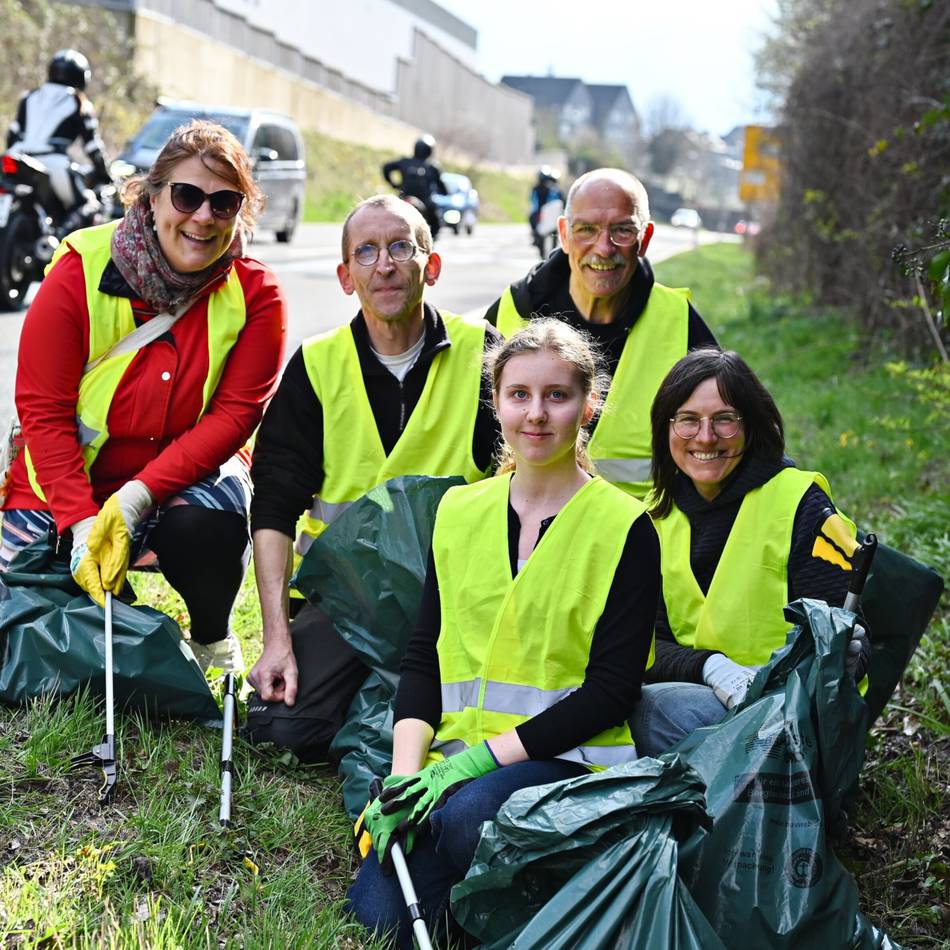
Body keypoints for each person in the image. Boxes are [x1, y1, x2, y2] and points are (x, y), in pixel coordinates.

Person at [346, 318, 660, 948]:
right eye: (519, 395)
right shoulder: (458, 512)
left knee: (469, 825)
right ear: (496, 404)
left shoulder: (625, 526)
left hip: (570, 767)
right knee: (380, 914)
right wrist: (407, 779)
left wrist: (472, 768)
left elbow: (611, 692)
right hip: (455, 769)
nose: (536, 415)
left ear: (588, 405)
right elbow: (423, 659)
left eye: (557, 395)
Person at [2, 119, 287, 673]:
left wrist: (137, 499)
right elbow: (43, 408)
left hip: (175, 486)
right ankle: (112, 605)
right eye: (187, 195)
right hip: (62, 485)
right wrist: (82, 519)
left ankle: (211, 637)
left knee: (213, 523)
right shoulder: (77, 269)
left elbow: (234, 416)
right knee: (27, 625)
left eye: (224, 203)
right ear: (152, 197)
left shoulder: (257, 294)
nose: (203, 216)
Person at [245, 193, 500, 762]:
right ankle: (369, 687)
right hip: (349, 603)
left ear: (430, 266)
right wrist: (276, 642)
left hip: (454, 600)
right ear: (345, 276)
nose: (383, 264)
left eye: (400, 247)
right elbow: (274, 507)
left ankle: (383, 692)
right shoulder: (316, 365)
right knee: (278, 729)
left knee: (469, 730)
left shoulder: (482, 353)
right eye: (366, 251)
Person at [630, 348, 871, 757]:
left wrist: (842, 656)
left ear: (751, 426)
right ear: (665, 428)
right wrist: (711, 667)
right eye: (688, 421)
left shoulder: (799, 503)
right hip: (707, 697)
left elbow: (851, 644)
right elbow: (641, 646)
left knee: (657, 713)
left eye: (724, 420)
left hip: (791, 714)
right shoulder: (652, 516)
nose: (705, 438)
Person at [485, 167, 718, 498]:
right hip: (524, 538)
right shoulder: (509, 314)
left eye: (622, 230)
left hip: (641, 539)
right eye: (586, 230)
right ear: (564, 234)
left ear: (645, 239)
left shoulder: (679, 323)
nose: (604, 248)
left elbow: (730, 442)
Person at [6, 49, 111, 232]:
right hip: (53, 165)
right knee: (89, 205)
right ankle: (61, 245)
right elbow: (93, 147)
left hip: (15, 157)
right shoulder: (79, 102)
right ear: (81, 77)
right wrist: (105, 173)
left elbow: (12, 135)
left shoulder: (29, 97)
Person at [381, 135, 447, 239]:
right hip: (425, 201)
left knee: (391, 215)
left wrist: (393, 184)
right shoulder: (432, 166)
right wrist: (445, 192)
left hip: (404, 198)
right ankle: (431, 240)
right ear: (429, 150)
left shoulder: (404, 162)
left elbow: (386, 168)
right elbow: (440, 183)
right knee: (435, 222)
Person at [528, 166, 564, 258]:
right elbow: (534, 202)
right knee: (533, 220)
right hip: (541, 214)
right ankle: (536, 236)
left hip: (552, 215)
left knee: (557, 227)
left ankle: (538, 238)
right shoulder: (537, 189)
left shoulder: (555, 190)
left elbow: (561, 203)